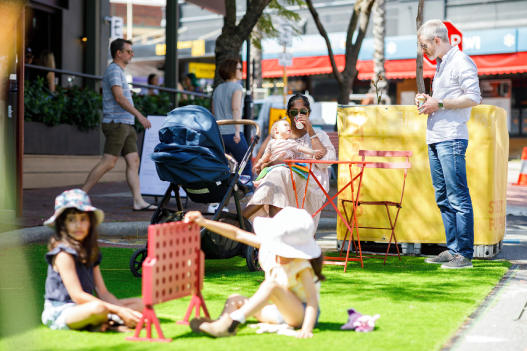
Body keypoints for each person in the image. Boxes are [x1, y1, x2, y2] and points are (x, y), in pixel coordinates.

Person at [185, 206, 324, 338]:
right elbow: (237, 234)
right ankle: (221, 324)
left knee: (271, 285)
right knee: (234, 299)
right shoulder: (270, 247)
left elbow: (312, 300)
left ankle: (233, 323)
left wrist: (306, 328)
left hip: (301, 315)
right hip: (279, 312)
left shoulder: (301, 266)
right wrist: (204, 222)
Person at [415, 20, 481, 269]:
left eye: (425, 46)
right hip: (437, 136)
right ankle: (453, 249)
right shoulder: (442, 65)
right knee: (443, 196)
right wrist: (428, 100)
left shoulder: (461, 60)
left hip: (452, 138)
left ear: (437, 41)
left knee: (457, 196)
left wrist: (439, 103)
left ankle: (464, 254)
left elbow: (474, 97)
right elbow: (443, 98)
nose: (424, 52)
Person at [41, 189, 144, 331]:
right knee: (98, 308)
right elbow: (77, 295)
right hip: (63, 311)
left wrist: (124, 310)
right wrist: (119, 311)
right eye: (72, 220)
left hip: (86, 306)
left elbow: (103, 292)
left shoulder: (90, 251)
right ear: (61, 224)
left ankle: (105, 323)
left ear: (90, 222)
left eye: (83, 219)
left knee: (139, 304)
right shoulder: (63, 254)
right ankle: (109, 323)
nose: (78, 225)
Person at [81, 38, 156, 212]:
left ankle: (138, 201)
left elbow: (120, 95)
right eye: (129, 51)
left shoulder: (119, 71)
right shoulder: (114, 70)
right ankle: (79, 196)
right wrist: (139, 115)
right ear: (119, 53)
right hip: (117, 123)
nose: (132, 54)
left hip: (126, 124)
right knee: (109, 162)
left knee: (133, 161)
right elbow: (119, 98)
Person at [242, 94, 336, 227]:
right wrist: (274, 162)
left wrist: (311, 132)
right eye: (294, 112)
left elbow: (326, 160)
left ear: (308, 113)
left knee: (277, 177)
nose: (299, 115)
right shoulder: (279, 136)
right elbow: (262, 169)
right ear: (288, 114)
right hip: (282, 183)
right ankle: (279, 231)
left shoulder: (319, 134)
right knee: (277, 176)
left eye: (303, 112)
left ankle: (240, 219)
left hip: (310, 184)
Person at [212, 58, 252, 178]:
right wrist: (237, 131)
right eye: (240, 68)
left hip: (220, 134)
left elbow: (214, 112)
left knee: (223, 165)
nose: (242, 71)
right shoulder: (237, 88)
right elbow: (236, 109)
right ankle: (247, 192)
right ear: (232, 70)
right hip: (233, 133)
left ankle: (225, 192)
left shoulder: (217, 89)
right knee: (245, 163)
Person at [253, 119, 323, 187]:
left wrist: (313, 152)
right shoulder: (271, 142)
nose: (289, 127)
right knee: (265, 171)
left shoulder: (290, 142)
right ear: (276, 130)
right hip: (274, 165)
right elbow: (266, 156)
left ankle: (262, 182)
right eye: (285, 125)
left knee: (274, 171)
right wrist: (259, 163)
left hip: (286, 166)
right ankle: (261, 181)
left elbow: (302, 148)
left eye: (289, 125)